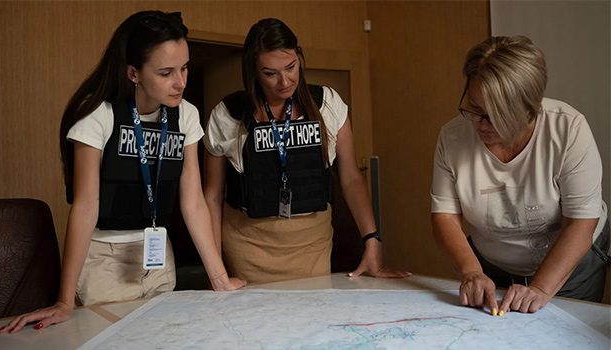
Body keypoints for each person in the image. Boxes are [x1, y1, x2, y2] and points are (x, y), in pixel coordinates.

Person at [0, 10, 246, 333]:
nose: (181, 82)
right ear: (133, 73)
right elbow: (86, 205)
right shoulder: (97, 113)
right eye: (166, 73)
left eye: (184, 68)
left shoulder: (185, 115)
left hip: (158, 259)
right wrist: (64, 300)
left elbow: (193, 202)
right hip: (104, 261)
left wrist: (219, 279)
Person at [203, 18, 411, 284]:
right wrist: (215, 269)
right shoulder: (228, 114)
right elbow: (212, 196)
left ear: (299, 57)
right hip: (248, 247)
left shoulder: (328, 104)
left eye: (291, 67)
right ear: (253, 71)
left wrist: (371, 240)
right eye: (270, 73)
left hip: (312, 245)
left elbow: (350, 178)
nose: (284, 81)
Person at [431, 36, 609, 316]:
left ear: (530, 110)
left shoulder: (568, 130)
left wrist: (540, 289)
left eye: (497, 116)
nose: (481, 125)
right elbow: (444, 215)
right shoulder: (453, 137)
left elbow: (580, 222)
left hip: (569, 267)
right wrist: (471, 272)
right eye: (475, 109)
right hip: (491, 267)